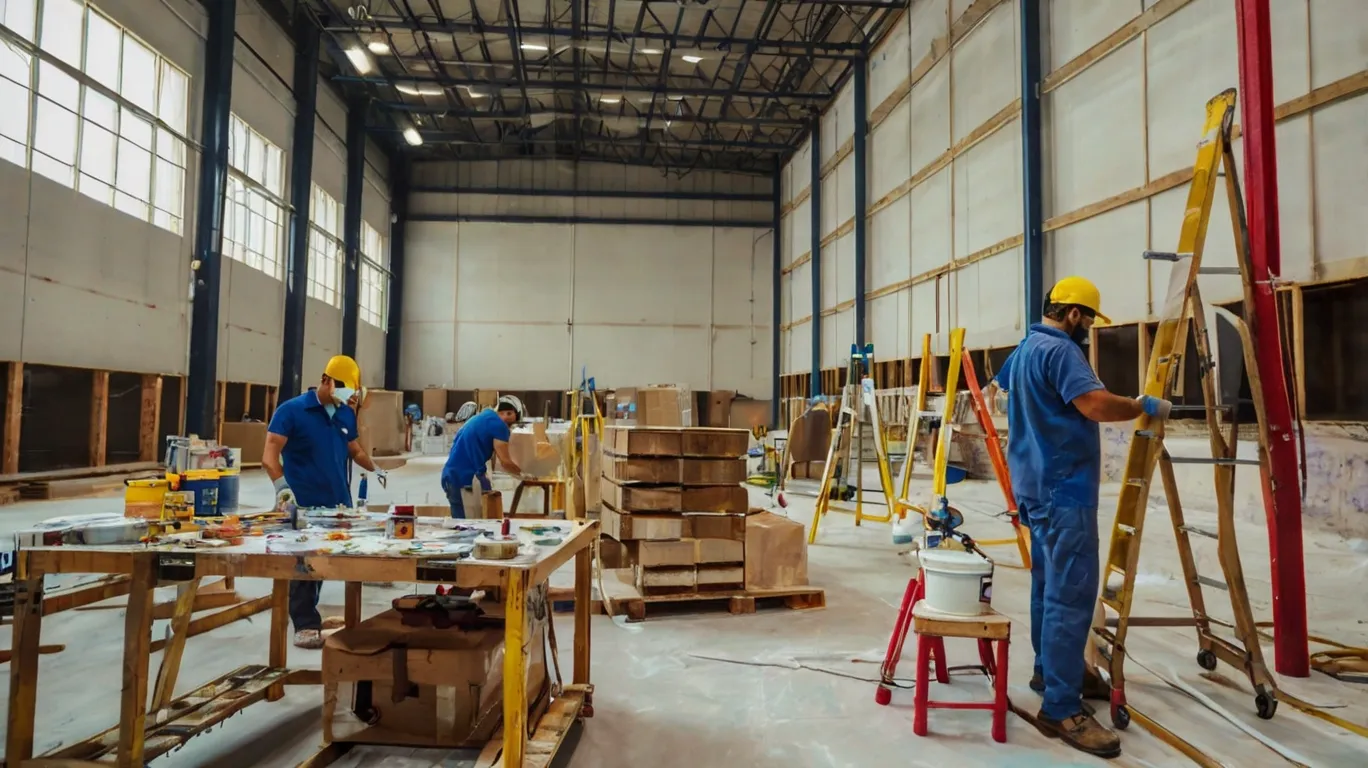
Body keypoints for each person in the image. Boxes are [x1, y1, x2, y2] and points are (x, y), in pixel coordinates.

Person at [995, 276, 1171, 758]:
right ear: (1073, 314)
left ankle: (1049, 671)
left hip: (1033, 485)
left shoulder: (1027, 346)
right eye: (1088, 318)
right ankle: (1060, 706)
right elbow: (1093, 404)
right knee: (1070, 596)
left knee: (1046, 585)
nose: (1089, 328)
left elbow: (1001, 387)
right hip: (1063, 488)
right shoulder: (1062, 351)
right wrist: (1140, 405)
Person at [262, 355, 387, 649]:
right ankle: (304, 623)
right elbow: (269, 456)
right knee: (304, 563)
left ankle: (335, 618)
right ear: (325, 380)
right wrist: (283, 490)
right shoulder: (291, 411)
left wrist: (376, 468)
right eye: (341, 390)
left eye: (350, 394)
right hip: (304, 503)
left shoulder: (343, 414)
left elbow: (354, 450)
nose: (345, 399)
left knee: (336, 561)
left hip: (339, 505)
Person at [440, 396, 524, 518]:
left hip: (452, 476)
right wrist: (525, 474)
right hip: (465, 479)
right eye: (503, 413)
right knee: (472, 525)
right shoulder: (499, 426)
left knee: (462, 524)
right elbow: (505, 461)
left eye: (509, 413)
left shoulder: (480, 418)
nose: (506, 417)